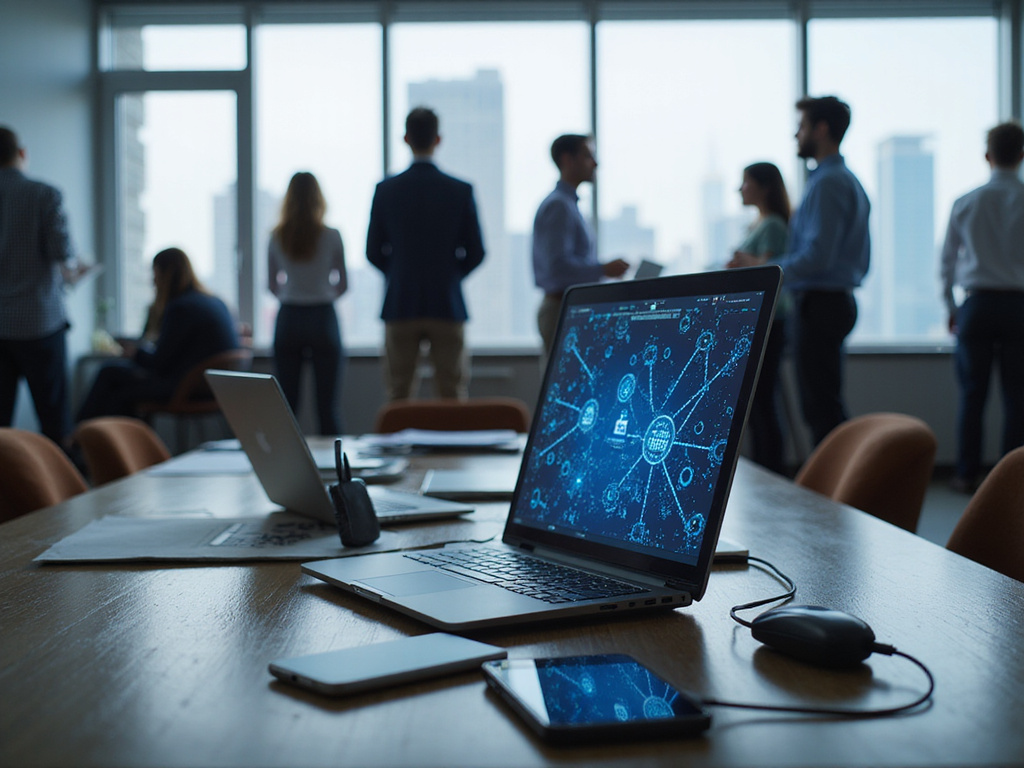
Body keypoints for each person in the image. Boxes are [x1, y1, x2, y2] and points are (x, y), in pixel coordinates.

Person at [730, 96, 870, 447]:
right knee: (822, 404)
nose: (796, 135)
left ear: (821, 130)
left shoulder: (829, 183)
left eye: (802, 127)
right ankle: (840, 489)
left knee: (821, 408)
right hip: (825, 301)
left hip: (820, 302)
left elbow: (818, 256)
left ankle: (839, 493)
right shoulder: (837, 179)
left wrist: (765, 271)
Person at [366, 107, 485, 401]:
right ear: (438, 139)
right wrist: (451, 274)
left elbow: (372, 251)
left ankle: (399, 448)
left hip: (400, 301)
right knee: (452, 392)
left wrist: (399, 272)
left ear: (406, 138)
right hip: (447, 302)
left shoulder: (386, 190)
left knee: (399, 393)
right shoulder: (460, 190)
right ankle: (454, 448)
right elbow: (477, 252)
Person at [940, 121, 1024, 493]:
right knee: (1017, 396)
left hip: (976, 304)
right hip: (1020, 306)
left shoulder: (966, 201)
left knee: (972, 395)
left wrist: (951, 307)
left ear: (987, 156)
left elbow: (946, 262)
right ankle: (1011, 479)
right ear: (1021, 155)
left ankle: (965, 474)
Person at [76, 248, 239, 422]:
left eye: (154, 273)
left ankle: (80, 436)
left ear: (164, 274)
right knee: (117, 385)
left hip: (187, 388)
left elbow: (160, 364)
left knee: (111, 377)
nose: (152, 280)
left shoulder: (180, 308)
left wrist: (134, 353)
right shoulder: (215, 301)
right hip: (212, 388)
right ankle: (106, 440)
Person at [0, 126, 87, 447]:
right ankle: (60, 489)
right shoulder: (44, 194)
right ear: (22, 153)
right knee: (54, 420)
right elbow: (62, 253)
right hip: (39, 322)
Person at [532, 134, 629, 355]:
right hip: (560, 309)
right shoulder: (559, 206)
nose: (595, 163)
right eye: (588, 156)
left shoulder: (568, 205)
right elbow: (557, 267)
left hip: (568, 307)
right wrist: (603, 269)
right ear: (567, 160)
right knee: (562, 385)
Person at [268, 172, 347, 435]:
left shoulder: (277, 236)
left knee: (287, 406)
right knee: (327, 407)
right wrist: (321, 293)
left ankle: (286, 468)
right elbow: (343, 284)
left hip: (289, 316)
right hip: (323, 316)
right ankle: (336, 472)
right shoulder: (332, 235)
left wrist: (295, 293)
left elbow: (271, 285)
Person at [734, 162, 791, 475]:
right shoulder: (757, 225)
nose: (740, 189)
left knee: (763, 401)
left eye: (745, 182)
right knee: (757, 404)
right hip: (759, 320)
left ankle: (771, 469)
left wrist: (745, 262)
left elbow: (774, 272)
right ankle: (765, 467)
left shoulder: (773, 226)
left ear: (764, 186)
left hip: (771, 321)